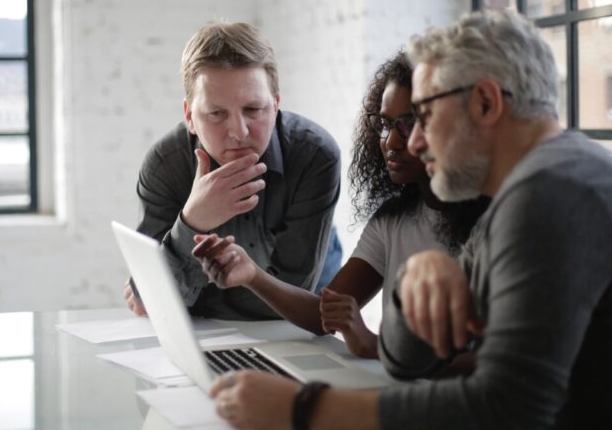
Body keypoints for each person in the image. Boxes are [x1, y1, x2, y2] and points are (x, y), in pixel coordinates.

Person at [205, 9, 612, 429]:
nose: (417, 141)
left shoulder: (553, 195)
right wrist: (415, 283)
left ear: (484, 102)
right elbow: (407, 360)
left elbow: (506, 407)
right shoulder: (521, 195)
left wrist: (303, 410)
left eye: (423, 116)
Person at [192, 52, 487, 358]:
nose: (390, 141)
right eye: (384, 123)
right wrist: (251, 274)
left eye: (409, 123)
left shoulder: (494, 224)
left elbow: (497, 362)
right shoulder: (393, 219)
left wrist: (377, 347)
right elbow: (324, 315)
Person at [124, 22, 342, 320]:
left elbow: (293, 298)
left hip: (304, 326)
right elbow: (150, 301)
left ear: (275, 106)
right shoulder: (166, 164)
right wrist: (193, 221)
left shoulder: (315, 156)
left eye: (253, 110)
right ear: (189, 116)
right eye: (216, 113)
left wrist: (185, 297)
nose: (239, 132)